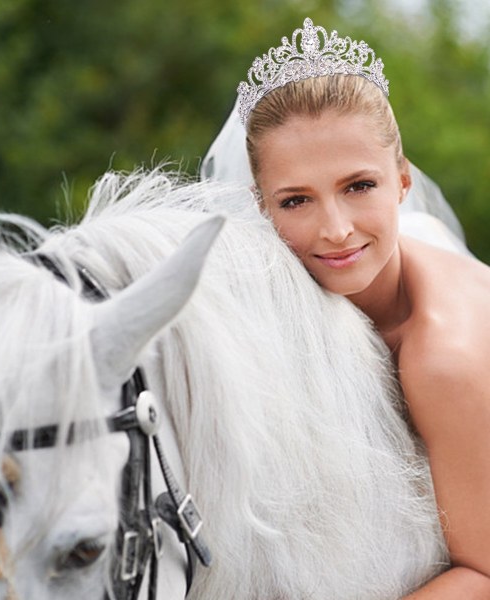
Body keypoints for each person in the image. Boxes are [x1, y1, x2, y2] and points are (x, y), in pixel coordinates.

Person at [206, 18, 490, 599]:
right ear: (260, 208)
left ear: (403, 182)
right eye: (297, 200)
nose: (335, 230)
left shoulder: (443, 357)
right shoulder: (260, 300)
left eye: (358, 186)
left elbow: (484, 574)